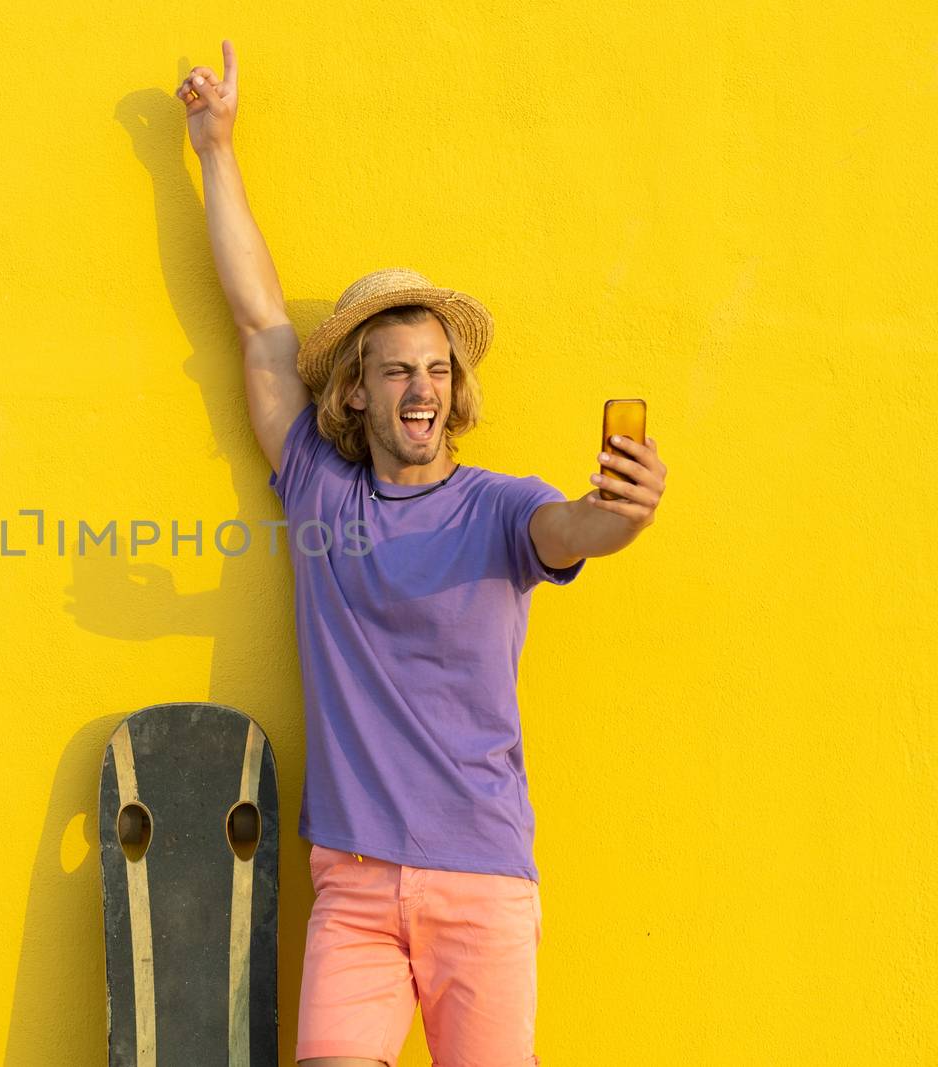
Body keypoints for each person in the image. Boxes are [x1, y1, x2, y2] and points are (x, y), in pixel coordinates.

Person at [176, 40, 668, 1067]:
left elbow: (576, 529)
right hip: (352, 883)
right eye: (395, 369)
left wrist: (625, 510)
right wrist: (213, 147)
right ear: (355, 388)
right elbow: (262, 324)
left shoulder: (500, 507)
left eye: (436, 369)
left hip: (480, 880)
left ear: (455, 385)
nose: (420, 390)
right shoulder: (320, 486)